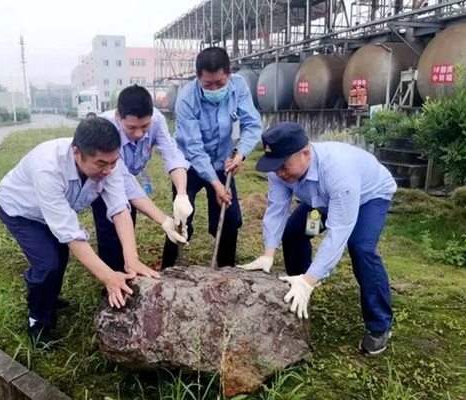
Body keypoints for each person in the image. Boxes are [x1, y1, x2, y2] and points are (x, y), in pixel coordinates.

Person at [0, 117, 160, 347]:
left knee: (59, 256)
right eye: (100, 164)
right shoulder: (48, 167)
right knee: (48, 263)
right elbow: (71, 234)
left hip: (54, 211)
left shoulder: (109, 163)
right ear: (76, 153)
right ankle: (38, 320)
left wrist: (131, 259)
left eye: (113, 162)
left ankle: (48, 296)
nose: (108, 170)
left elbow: (120, 208)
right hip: (21, 210)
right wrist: (108, 277)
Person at [237, 122, 397, 355]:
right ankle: (301, 285)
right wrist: (268, 254)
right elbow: (276, 209)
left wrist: (311, 279)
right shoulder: (279, 172)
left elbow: (338, 231)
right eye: (274, 166)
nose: (279, 173)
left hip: (367, 198)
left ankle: (380, 326)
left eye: (283, 165)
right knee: (294, 233)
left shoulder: (338, 170)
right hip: (321, 202)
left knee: (361, 247)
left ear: (305, 154)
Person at [161, 46, 263, 269]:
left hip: (221, 162)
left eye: (220, 83)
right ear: (198, 77)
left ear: (229, 73)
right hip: (188, 164)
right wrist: (216, 184)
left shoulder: (239, 86)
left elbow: (252, 124)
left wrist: (240, 154)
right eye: (208, 85)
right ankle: (167, 270)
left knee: (229, 220)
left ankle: (226, 272)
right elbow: (194, 148)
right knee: (182, 217)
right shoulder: (186, 98)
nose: (214, 89)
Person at [93, 84, 192, 271]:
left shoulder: (157, 120)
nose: (139, 134)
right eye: (131, 128)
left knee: (127, 222)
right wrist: (164, 220)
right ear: (118, 116)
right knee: (109, 230)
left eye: (145, 126)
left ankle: (127, 263)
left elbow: (172, 155)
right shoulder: (105, 128)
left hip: (128, 175)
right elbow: (125, 182)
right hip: (102, 180)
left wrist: (181, 193)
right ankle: (113, 277)